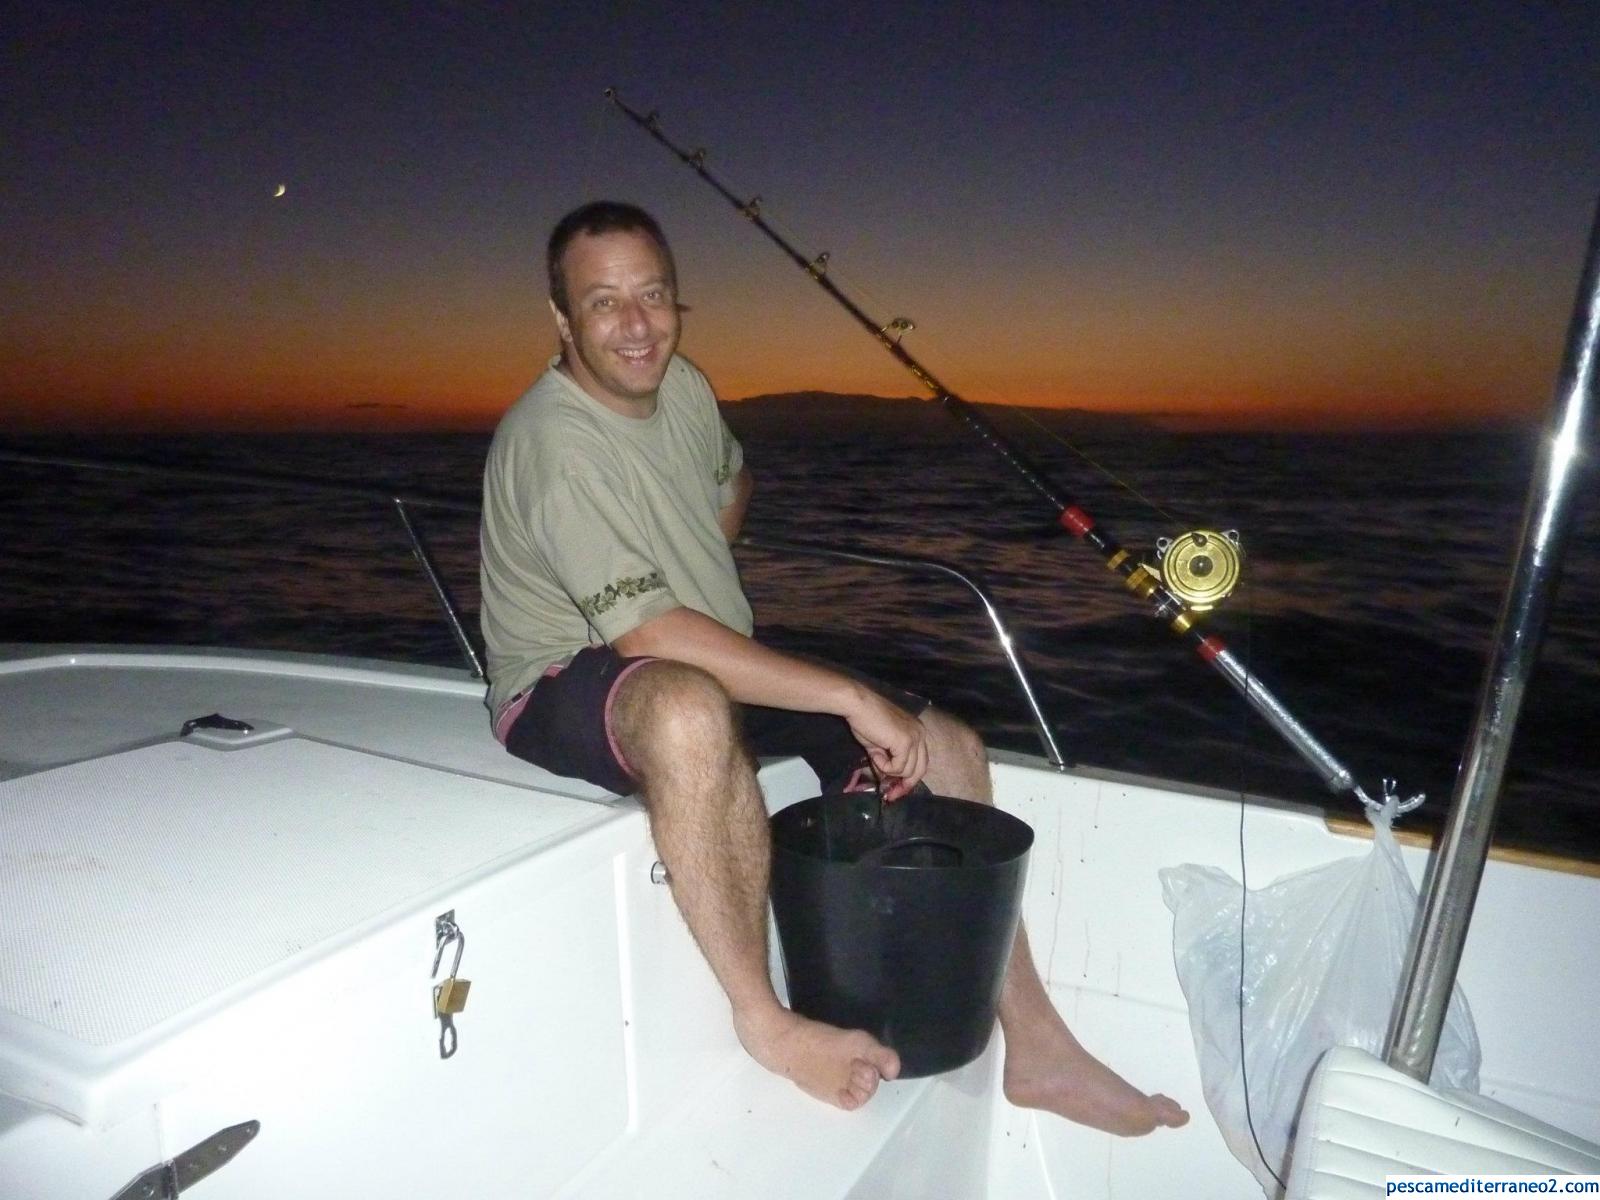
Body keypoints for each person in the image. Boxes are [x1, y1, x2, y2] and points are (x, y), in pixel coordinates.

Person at [479, 199, 1188, 1135]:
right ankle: (765, 1021)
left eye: (653, 295)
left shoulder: (682, 386)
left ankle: (1040, 1045)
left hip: (687, 651)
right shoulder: (552, 443)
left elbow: (731, 483)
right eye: (604, 302)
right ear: (563, 321)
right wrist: (849, 696)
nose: (637, 324)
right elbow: (647, 637)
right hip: (563, 678)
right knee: (690, 711)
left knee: (944, 745)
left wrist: (699, 561)